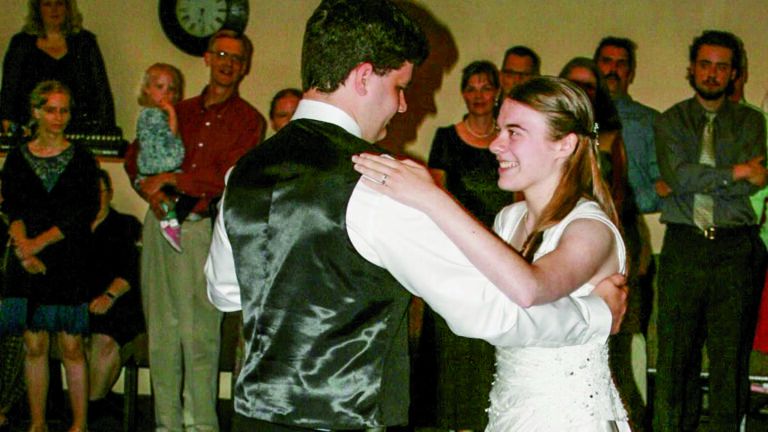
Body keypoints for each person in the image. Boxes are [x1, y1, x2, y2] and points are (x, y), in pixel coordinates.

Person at [205, 1, 627, 430]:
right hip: (347, 418)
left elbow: (226, 293)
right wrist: (596, 315)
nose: (403, 106)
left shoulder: (244, 170)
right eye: (399, 87)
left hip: (249, 419)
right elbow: (489, 311)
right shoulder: (377, 182)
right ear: (364, 76)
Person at [352, 76, 630, 431]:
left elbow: (530, 290)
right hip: (509, 408)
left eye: (514, 132)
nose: (496, 144)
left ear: (564, 144)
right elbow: (473, 299)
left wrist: (433, 197)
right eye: (499, 130)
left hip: (571, 415)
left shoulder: (589, 228)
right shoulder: (509, 219)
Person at [123, 29, 266, 432]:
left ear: (244, 67)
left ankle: (201, 423)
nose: (228, 63)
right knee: (162, 333)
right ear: (206, 58)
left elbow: (225, 177)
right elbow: (135, 158)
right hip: (159, 223)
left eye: (236, 58)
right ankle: (166, 424)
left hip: (201, 228)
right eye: (221, 54)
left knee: (200, 335)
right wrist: (147, 190)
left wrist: (173, 177)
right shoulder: (176, 109)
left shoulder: (248, 121)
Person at [653, 30, 767, 431]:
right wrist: (735, 172)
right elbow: (678, 175)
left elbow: (752, 181)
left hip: (736, 250)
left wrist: (694, 178)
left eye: (721, 66)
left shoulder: (752, 122)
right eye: (705, 64)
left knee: (729, 360)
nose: (712, 74)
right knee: (674, 359)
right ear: (691, 69)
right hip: (684, 247)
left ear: (734, 73)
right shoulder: (670, 121)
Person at [1, 80, 100, 432]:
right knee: (34, 343)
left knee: (72, 345)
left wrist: (38, 244)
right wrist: (24, 250)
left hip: (68, 259)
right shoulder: (16, 156)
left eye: (64, 110)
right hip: (25, 258)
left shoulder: (83, 158)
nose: (59, 117)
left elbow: (82, 213)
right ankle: (38, 424)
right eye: (52, 109)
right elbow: (11, 208)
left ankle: (79, 425)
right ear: (36, 111)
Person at [419, 60, 506, 432]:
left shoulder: (509, 138)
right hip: (456, 257)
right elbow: (435, 196)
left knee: (489, 347)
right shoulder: (446, 137)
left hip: (500, 258)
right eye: (471, 88)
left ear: (497, 92)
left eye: (485, 88)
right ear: (463, 95)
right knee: (453, 345)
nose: (478, 95)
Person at [0, 0, 116, 135]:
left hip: (80, 132)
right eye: (47, 4)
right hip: (32, 133)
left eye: (59, 3)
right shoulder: (21, 44)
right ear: (38, 9)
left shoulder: (85, 43)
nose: (54, 9)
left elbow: (102, 93)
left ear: (68, 8)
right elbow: (8, 93)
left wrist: (105, 132)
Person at [86, 169, 144, 428]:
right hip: (81, 303)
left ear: (109, 194)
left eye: (100, 192)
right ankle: (96, 404)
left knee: (104, 340)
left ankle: (89, 408)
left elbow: (130, 270)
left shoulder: (126, 225)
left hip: (119, 301)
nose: (95, 198)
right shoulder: (71, 229)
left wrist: (108, 295)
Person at [135, 62, 191, 252]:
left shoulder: (155, 114)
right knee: (170, 200)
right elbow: (170, 139)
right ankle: (170, 228)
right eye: (160, 87)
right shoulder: (152, 116)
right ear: (147, 89)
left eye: (171, 89)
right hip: (158, 167)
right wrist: (173, 115)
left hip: (157, 168)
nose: (166, 93)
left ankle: (169, 225)